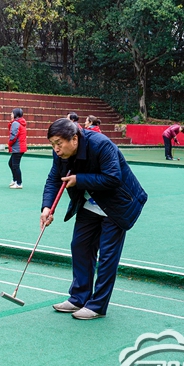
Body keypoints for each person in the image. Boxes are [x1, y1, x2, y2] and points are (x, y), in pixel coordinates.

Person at [42, 118, 147, 320]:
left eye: (59, 143)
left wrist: (79, 180)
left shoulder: (101, 144)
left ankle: (97, 305)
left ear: (74, 139)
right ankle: (79, 298)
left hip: (117, 205)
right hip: (90, 204)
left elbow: (113, 177)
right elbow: (54, 178)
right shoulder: (61, 153)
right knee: (80, 246)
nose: (56, 149)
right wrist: (47, 207)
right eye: (52, 144)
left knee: (107, 256)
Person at [8, 108, 27, 189]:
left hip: (18, 148)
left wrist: (10, 143)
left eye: (12, 113)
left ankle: (19, 183)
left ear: (15, 114)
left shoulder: (16, 123)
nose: (11, 115)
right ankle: (15, 180)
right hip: (20, 147)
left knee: (15, 165)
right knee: (11, 163)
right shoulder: (20, 122)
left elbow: (13, 135)